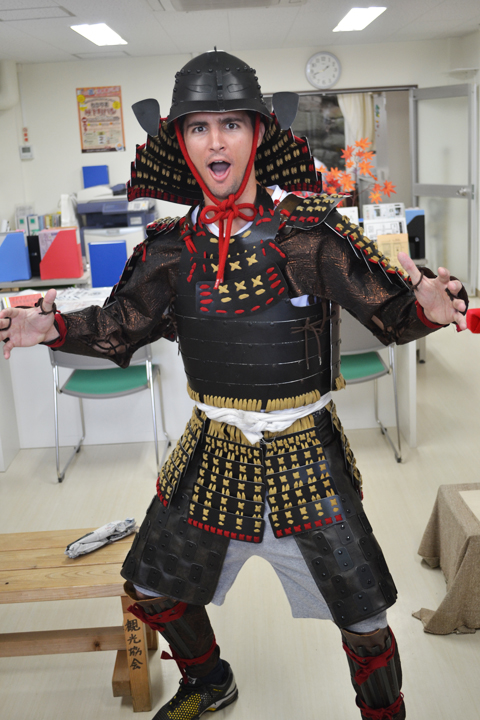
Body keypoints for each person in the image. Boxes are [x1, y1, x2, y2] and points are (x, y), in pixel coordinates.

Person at [0, 50, 467, 720]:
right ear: (181, 143)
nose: (215, 141)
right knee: (152, 590)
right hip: (212, 447)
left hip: (305, 451)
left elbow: (390, 314)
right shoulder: (168, 248)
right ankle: (209, 680)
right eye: (198, 127)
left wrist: (427, 309)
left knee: (365, 619)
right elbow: (119, 325)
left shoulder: (310, 233)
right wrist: (48, 328)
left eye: (230, 124)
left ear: (258, 133)